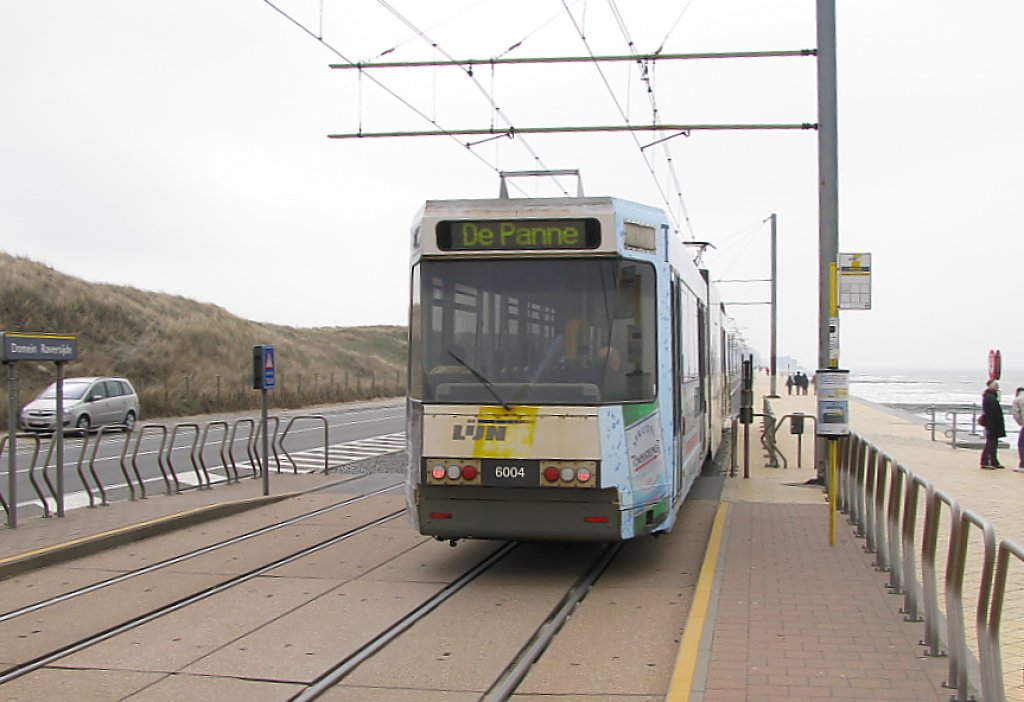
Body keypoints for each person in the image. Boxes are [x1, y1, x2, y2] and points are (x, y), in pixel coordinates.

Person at [980, 379, 1006, 469]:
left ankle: (993, 461)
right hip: (992, 424)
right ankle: (986, 461)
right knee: (991, 443)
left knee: (993, 443)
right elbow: (994, 413)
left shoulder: (989, 397)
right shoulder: (990, 398)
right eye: (996, 386)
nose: (998, 388)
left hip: (991, 424)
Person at [1012, 386, 1024, 471]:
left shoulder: (1017, 400)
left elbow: (1016, 414)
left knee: (1021, 444)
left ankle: (1022, 465)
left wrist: (1021, 423)